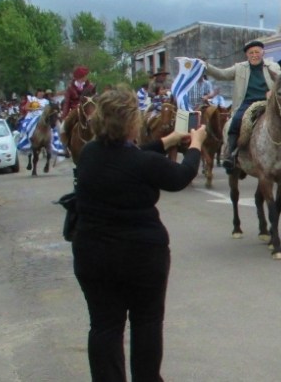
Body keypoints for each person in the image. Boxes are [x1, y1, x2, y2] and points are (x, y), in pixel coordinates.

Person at [72, 87, 206, 382]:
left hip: (93, 254)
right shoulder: (142, 164)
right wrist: (195, 145)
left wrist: (164, 141)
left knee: (104, 326)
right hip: (141, 257)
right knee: (146, 322)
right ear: (131, 123)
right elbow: (179, 176)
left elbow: (127, 158)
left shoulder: (89, 154)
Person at [203, 40, 281, 173]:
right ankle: (230, 154)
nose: (254, 55)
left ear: (263, 52)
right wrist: (205, 66)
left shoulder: (273, 66)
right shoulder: (240, 68)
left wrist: (273, 92)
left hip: (269, 102)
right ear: (247, 55)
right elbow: (221, 74)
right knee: (236, 122)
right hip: (247, 103)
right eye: (251, 53)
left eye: (257, 52)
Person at [61, 66, 97, 150]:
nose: (86, 77)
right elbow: (66, 102)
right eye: (84, 75)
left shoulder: (91, 86)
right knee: (63, 127)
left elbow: (95, 99)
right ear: (79, 76)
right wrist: (64, 115)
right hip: (74, 109)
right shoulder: (70, 88)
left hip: (88, 108)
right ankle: (65, 146)